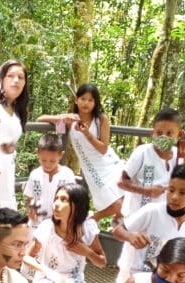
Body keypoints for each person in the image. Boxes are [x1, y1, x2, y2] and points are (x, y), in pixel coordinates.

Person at [37, 83, 123, 222]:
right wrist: (63, 117)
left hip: (108, 163)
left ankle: (94, 219)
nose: (86, 103)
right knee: (117, 205)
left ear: (95, 102)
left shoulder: (101, 119)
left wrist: (87, 133)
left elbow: (103, 149)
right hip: (91, 168)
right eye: (83, 99)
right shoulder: (71, 120)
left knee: (126, 199)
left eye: (90, 100)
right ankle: (92, 219)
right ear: (76, 100)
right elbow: (40, 119)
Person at [27, 183, 105, 283]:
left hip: (75, 280)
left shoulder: (87, 229)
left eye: (64, 200)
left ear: (77, 206)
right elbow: (27, 257)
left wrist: (87, 252)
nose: (56, 204)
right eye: (56, 198)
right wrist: (47, 271)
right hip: (47, 278)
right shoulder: (47, 227)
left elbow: (102, 262)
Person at [118, 108, 184, 215]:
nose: (164, 137)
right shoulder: (142, 152)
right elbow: (121, 182)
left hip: (164, 216)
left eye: (169, 133)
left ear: (180, 134)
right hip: (137, 215)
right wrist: (146, 191)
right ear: (153, 133)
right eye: (159, 133)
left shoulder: (180, 156)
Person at [0, 59, 29, 219]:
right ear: (2, 78)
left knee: (4, 222)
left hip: (6, 171)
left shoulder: (17, 110)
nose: (16, 80)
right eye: (10, 76)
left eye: (20, 77)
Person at [22, 134, 76, 227]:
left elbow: (72, 201)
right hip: (36, 225)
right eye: (43, 160)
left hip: (58, 225)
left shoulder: (67, 174)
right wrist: (31, 209)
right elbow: (30, 197)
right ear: (37, 153)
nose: (47, 164)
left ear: (61, 155)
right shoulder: (34, 174)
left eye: (52, 161)